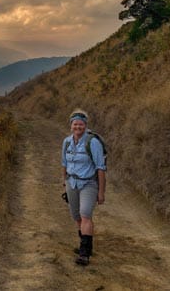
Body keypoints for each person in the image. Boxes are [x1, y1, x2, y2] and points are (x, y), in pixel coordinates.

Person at [61, 109, 106, 266]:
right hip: (71, 183)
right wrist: (64, 181)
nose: (78, 127)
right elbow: (64, 164)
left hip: (89, 183)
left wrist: (101, 192)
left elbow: (101, 168)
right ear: (71, 125)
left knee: (85, 214)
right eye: (75, 124)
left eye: (81, 124)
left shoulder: (92, 142)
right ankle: (85, 245)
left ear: (85, 125)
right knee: (76, 216)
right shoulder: (66, 142)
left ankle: (84, 254)